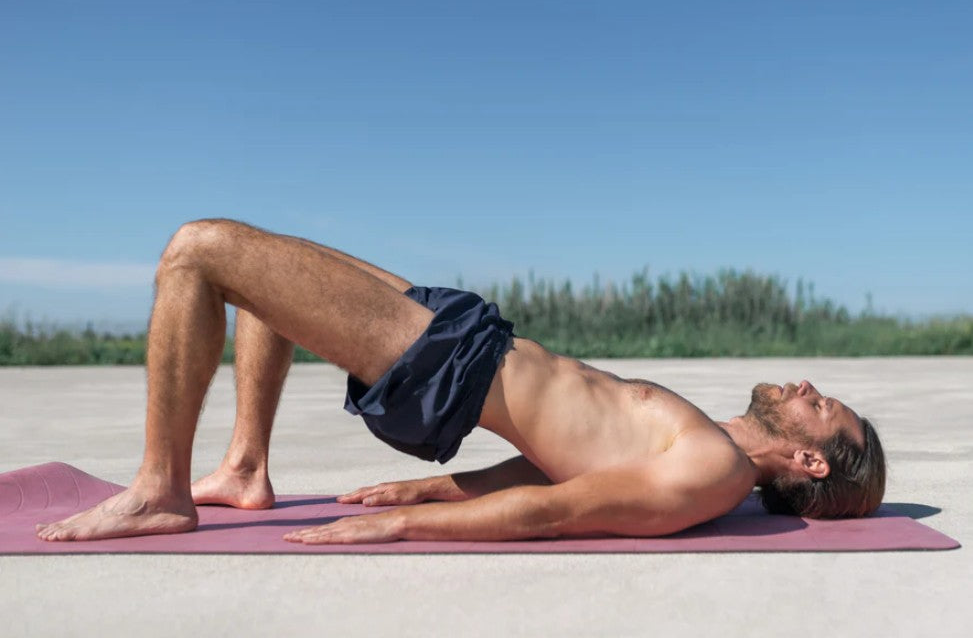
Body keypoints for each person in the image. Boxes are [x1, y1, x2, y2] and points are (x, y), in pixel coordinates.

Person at [35, 219, 886, 545]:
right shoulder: (711, 448)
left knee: (202, 249)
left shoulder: (714, 474)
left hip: (453, 368)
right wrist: (439, 485)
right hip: (471, 338)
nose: (807, 386)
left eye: (823, 407)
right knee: (266, 274)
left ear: (812, 462)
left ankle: (161, 489)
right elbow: (565, 466)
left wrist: (409, 527)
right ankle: (245, 468)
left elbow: (561, 511)